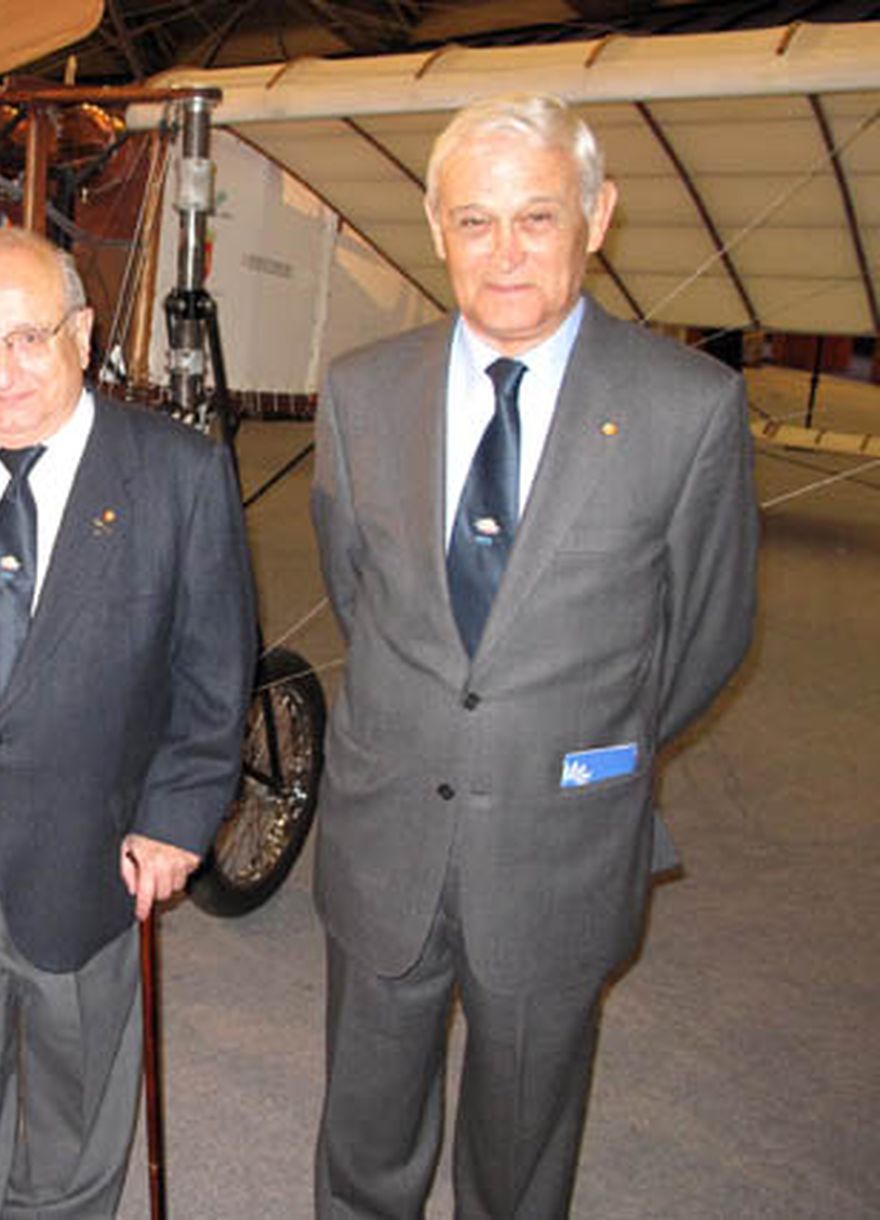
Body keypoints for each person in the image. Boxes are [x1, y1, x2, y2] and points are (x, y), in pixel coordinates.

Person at [310, 94, 758, 1219]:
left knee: (518, 1167)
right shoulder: (361, 393)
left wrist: (576, 744)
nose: (503, 252)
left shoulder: (686, 408)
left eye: (536, 217)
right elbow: (358, 591)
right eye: (473, 221)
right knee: (362, 1145)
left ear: (595, 217)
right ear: (435, 227)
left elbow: (704, 632)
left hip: (558, 845)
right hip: (386, 827)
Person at [0, 225, 255, 1217]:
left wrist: (175, 818)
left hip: (90, 868)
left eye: (27, 336)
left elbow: (212, 683)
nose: (1, 369)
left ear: (81, 329)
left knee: (72, 1141)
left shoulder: (177, 476)